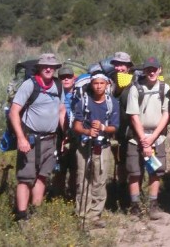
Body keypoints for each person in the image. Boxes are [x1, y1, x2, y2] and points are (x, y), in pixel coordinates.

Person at [8, 53, 66, 222]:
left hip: (51, 139)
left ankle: (35, 213)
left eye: (52, 66)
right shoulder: (29, 85)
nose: (48, 69)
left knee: (42, 176)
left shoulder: (58, 85)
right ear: (39, 68)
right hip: (30, 139)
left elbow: (61, 111)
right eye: (45, 66)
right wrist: (21, 138)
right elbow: (14, 112)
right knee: (25, 179)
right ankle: (21, 216)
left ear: (56, 69)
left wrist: (65, 135)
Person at [73, 72, 120, 228]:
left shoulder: (112, 103)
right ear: (91, 85)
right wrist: (87, 132)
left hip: (103, 146)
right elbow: (77, 125)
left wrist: (103, 127)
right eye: (96, 83)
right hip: (85, 145)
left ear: (107, 85)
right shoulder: (83, 102)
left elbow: (115, 127)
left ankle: (95, 215)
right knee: (82, 179)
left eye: (102, 83)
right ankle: (82, 215)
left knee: (99, 180)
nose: (99, 86)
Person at [126, 57, 170, 220]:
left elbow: (166, 114)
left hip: (156, 137)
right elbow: (133, 116)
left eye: (155, 69)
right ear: (144, 71)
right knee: (135, 173)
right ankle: (135, 206)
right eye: (148, 69)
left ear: (160, 70)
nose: (152, 72)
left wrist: (152, 138)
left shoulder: (165, 88)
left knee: (155, 172)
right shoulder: (135, 88)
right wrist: (144, 139)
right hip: (136, 137)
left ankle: (153, 205)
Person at [109, 51, 135, 208]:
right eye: (116, 64)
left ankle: (131, 195)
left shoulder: (135, 81)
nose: (119, 67)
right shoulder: (109, 81)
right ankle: (121, 190)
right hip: (114, 129)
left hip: (130, 128)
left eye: (122, 65)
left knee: (131, 162)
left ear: (128, 66)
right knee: (120, 162)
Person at [52, 66, 77, 199]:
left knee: (75, 166)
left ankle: (73, 194)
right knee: (60, 165)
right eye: (62, 77)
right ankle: (58, 195)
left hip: (76, 132)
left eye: (68, 77)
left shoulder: (79, 93)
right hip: (59, 132)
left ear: (74, 78)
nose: (66, 79)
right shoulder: (55, 93)